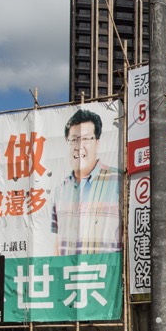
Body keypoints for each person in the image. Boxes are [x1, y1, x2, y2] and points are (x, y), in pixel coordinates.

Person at [51, 108, 122, 255]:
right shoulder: (61, 189)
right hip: (68, 275)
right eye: (74, 140)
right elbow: (56, 244)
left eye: (85, 139)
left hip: (106, 275)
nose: (78, 146)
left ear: (97, 143)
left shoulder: (118, 181)